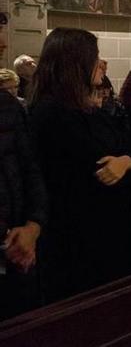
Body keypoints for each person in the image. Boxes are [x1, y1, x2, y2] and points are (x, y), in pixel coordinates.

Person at [29, 28, 131, 302]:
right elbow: (87, 165)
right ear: (75, 62)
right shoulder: (49, 113)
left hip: (110, 232)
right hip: (77, 240)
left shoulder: (91, 111)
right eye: (96, 56)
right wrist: (121, 160)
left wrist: (125, 161)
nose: (101, 63)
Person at [0, 71, 47, 320]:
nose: (3, 42)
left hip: (19, 247)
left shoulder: (7, 105)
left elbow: (30, 169)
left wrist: (33, 226)